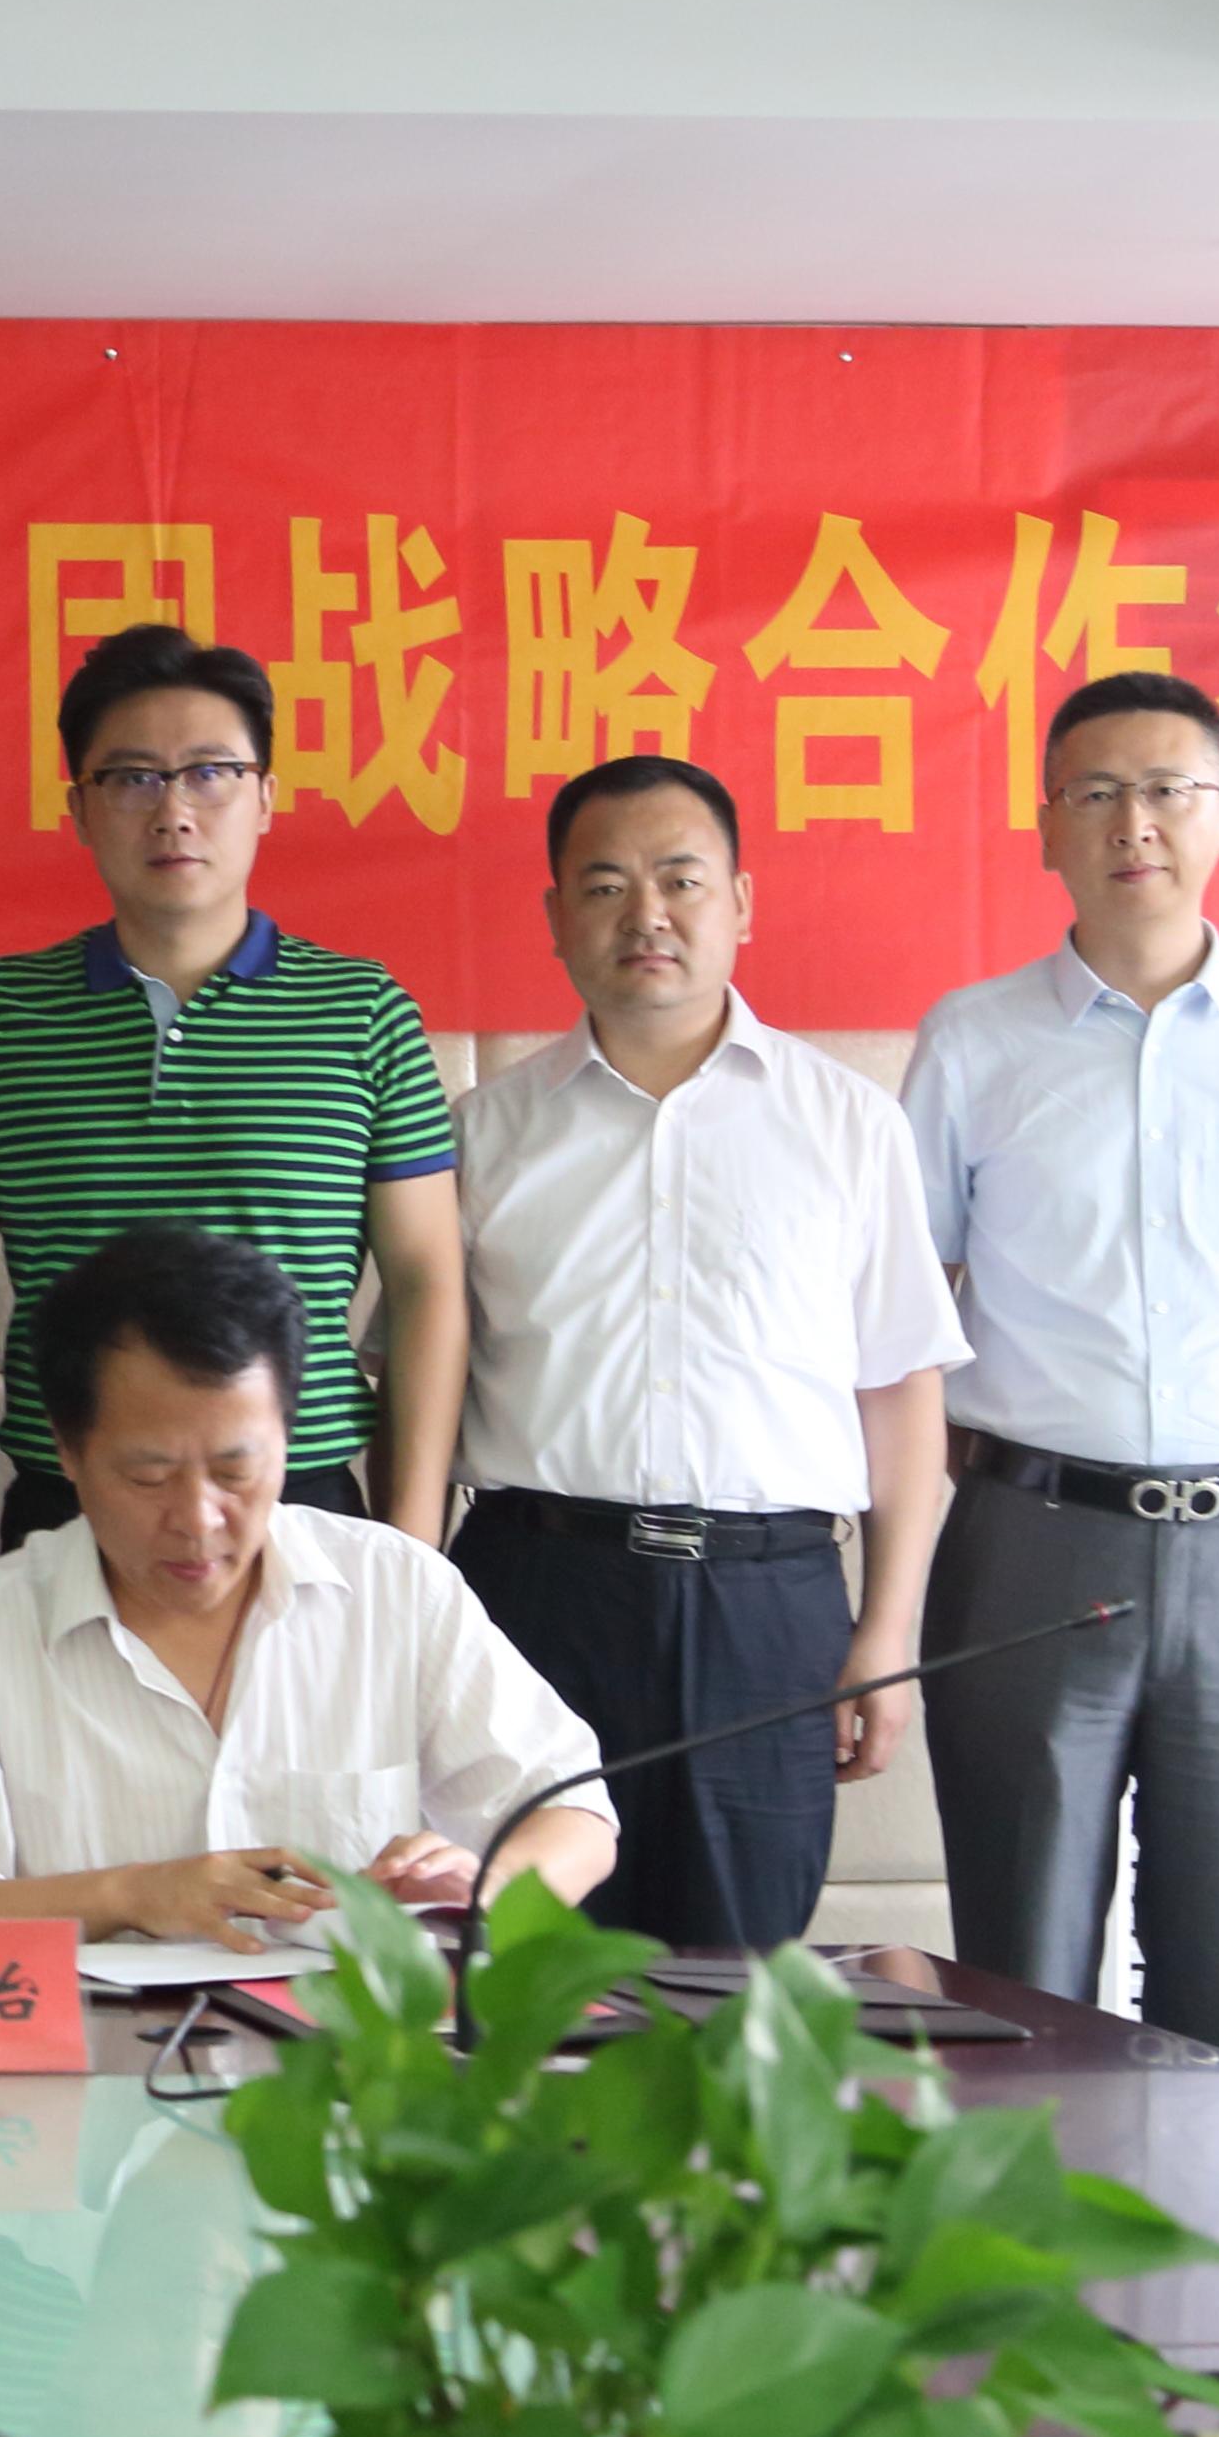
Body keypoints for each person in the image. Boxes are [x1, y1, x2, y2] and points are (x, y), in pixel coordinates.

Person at [902, 673, 1219, 2057]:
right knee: (1022, 1978)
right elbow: (919, 1298)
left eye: (1171, 789)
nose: (1137, 822)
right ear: (1046, 827)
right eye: (1098, 792)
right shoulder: (971, 1038)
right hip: (1030, 1539)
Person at [455, 754, 965, 1951]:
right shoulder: (483, 1133)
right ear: (555, 916)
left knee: (740, 1979)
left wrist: (887, 1633)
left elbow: (900, 1391)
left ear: (740, 902)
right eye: (606, 886)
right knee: (524, 1973)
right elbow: (423, 1381)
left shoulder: (849, 1125)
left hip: (768, 1607)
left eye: (681, 880)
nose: (648, 914)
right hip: (535, 1591)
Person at [0, 1225, 612, 1941]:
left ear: (286, 1437)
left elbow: (573, 1810)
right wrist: (127, 1895)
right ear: (67, 1450)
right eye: (148, 1476)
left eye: (235, 1471)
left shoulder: (396, 1588)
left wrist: (485, 1886)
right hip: (87, 2042)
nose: (198, 1519)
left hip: (355, 2040)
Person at [0, 622, 463, 1552]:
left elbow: (426, 1287)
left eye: (210, 773)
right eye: (132, 778)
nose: (173, 811)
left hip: (301, 1509)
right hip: (71, 1511)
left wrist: (411, 1548)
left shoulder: (362, 1011)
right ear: (80, 809)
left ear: (265, 798)